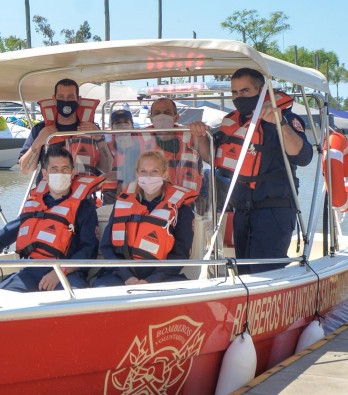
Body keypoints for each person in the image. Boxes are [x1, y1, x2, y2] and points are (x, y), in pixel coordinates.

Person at [188, 68, 313, 273]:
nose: (239, 98)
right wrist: (201, 136)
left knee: (265, 272)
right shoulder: (233, 123)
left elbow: (304, 156)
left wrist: (280, 123)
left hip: (273, 211)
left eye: (245, 91)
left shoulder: (285, 119)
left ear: (262, 91)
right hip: (242, 211)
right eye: (234, 93)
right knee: (244, 272)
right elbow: (211, 157)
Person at [0, 146, 101, 292]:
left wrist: (60, 272)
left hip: (67, 272)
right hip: (32, 269)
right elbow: (5, 235)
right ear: (45, 174)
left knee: (73, 299)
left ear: (72, 173)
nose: (60, 173)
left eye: (64, 169)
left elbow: (88, 250)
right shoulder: (34, 204)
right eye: (54, 169)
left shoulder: (84, 208)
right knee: (2, 296)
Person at [93, 151, 197, 287]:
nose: (148, 176)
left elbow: (180, 255)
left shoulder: (182, 211)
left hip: (161, 278)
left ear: (164, 174)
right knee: (101, 289)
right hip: (120, 276)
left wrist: (151, 281)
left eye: (154, 171)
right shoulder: (123, 204)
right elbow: (106, 247)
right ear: (137, 174)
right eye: (143, 171)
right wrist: (128, 277)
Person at [18, 78, 102, 176]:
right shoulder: (40, 129)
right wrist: (39, 141)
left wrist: (100, 139)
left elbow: (107, 168)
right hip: (49, 190)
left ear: (78, 100)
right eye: (61, 97)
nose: (65, 101)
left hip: (82, 190)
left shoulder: (92, 129)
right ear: (54, 99)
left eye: (70, 97)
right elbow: (25, 170)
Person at [138, 98, 204, 194]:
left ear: (176, 117)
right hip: (153, 199)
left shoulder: (191, 135)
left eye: (167, 112)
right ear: (151, 118)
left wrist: (201, 132)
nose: (162, 116)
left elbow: (207, 158)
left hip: (186, 199)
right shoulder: (139, 137)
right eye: (157, 113)